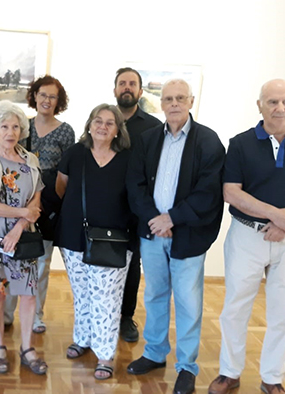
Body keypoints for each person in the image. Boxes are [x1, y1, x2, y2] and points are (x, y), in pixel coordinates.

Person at [208, 79, 285, 394]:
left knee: (282, 312)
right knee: (235, 308)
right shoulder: (241, 143)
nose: (280, 108)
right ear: (259, 105)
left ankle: (272, 378)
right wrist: (274, 214)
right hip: (247, 236)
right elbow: (231, 192)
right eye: (273, 102)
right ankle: (229, 373)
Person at [125, 78, 225, 394]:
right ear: (161, 103)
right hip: (152, 233)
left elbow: (208, 192)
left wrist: (172, 219)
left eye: (180, 97)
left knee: (187, 302)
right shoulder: (147, 139)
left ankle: (186, 366)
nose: (174, 104)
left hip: (189, 236)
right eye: (168, 98)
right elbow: (135, 184)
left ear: (191, 101)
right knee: (154, 294)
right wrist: (156, 219)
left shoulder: (209, 142)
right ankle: (155, 353)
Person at [0, 100, 48, 375]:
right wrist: (21, 211)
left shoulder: (30, 160)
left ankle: (27, 347)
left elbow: (37, 200)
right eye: (4, 126)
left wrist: (19, 225)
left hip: (22, 235)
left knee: (27, 293)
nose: (10, 132)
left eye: (15, 126)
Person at [0, 75, 74, 335]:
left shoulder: (66, 131)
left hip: (48, 203)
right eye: (43, 94)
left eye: (52, 96)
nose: (47, 100)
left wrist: (55, 202)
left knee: (40, 262)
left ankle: (36, 315)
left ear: (58, 101)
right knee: (10, 259)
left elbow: (67, 172)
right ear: (34, 96)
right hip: (15, 201)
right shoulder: (21, 126)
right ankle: (4, 315)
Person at [55, 104, 132, 380]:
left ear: (117, 130)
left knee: (107, 298)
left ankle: (105, 354)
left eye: (110, 123)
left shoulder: (128, 158)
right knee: (83, 293)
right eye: (98, 121)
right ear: (89, 125)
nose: (102, 126)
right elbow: (61, 186)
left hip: (113, 241)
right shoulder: (76, 153)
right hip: (73, 236)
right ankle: (83, 338)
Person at [114, 67, 163, 342]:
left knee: (133, 264)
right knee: (102, 261)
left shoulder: (154, 126)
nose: (127, 88)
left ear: (141, 91)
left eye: (132, 84)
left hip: (138, 207)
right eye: (122, 83)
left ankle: (125, 317)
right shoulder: (104, 119)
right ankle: (101, 312)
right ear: (115, 89)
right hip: (107, 205)